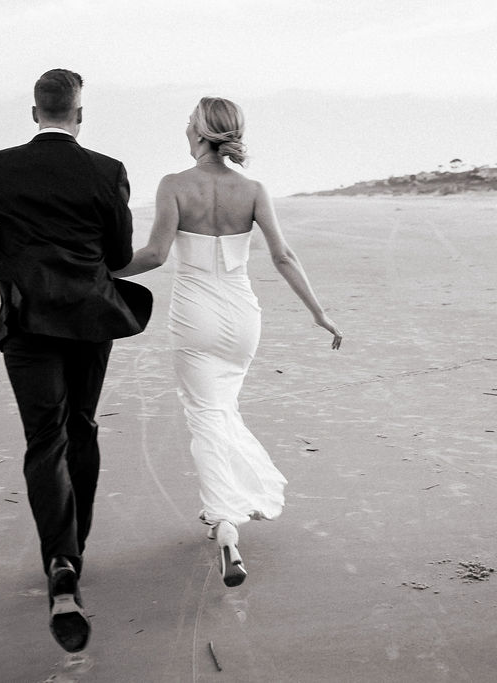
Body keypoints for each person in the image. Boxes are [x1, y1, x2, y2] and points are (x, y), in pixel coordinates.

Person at [0, 68, 152, 652]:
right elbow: (117, 253)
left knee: (45, 438)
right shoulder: (107, 171)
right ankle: (75, 553)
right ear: (79, 112)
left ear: (34, 111)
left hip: (27, 317)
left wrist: (20, 250)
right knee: (81, 427)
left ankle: (59, 560)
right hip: (90, 318)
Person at [112, 97, 342, 587]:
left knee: (205, 415)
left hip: (194, 316)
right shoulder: (254, 189)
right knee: (220, 409)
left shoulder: (174, 185)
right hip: (242, 317)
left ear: (196, 131)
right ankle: (224, 507)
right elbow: (283, 257)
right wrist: (318, 313)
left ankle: (223, 522)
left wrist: (101, 270)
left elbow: (153, 255)